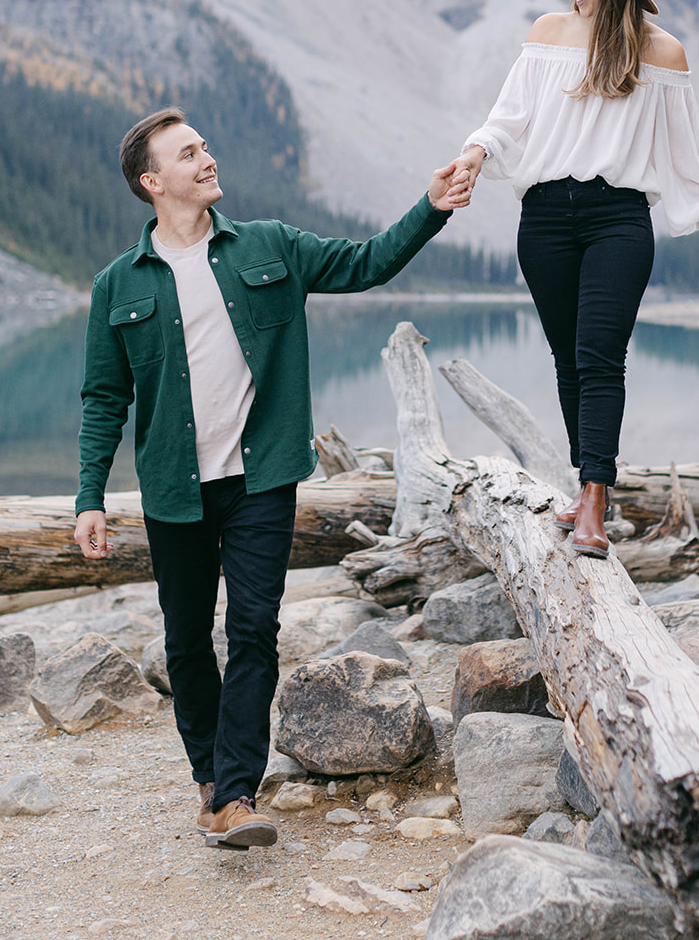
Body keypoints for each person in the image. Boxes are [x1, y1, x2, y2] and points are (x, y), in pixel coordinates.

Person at [74, 107, 469, 849]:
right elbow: (104, 398)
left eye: (206, 146)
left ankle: (235, 796)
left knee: (253, 629)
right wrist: (89, 496)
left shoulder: (271, 245)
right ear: (152, 181)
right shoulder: (118, 284)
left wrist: (431, 208)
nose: (208, 158)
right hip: (174, 487)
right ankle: (209, 780)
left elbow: (366, 263)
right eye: (189, 154)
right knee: (188, 640)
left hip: (261, 478)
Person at [454, 0, 699, 558]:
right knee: (567, 361)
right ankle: (585, 489)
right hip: (544, 219)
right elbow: (508, 120)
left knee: (600, 357)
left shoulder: (662, 53)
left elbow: (684, 153)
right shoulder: (547, 34)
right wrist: (473, 152)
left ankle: (594, 505)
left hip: (618, 221)